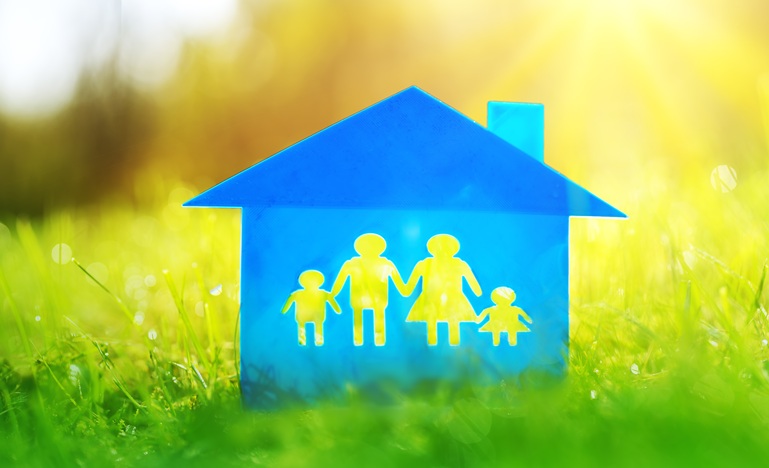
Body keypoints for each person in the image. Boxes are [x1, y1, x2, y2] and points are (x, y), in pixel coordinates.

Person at [404, 234, 482, 346]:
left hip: (442, 300)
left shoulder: (426, 264)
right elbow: (474, 285)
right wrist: (478, 292)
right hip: (441, 300)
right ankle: (446, 344)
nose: (443, 251)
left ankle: (440, 344)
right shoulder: (458, 264)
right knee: (449, 321)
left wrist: (406, 291)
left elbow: (410, 286)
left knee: (439, 321)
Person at [331, 233, 406, 346]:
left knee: (360, 319)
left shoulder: (351, 264)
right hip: (378, 299)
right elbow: (401, 286)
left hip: (360, 299)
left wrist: (331, 295)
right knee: (376, 318)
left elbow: (338, 284)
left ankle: (359, 340)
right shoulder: (386, 264)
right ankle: (377, 341)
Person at [282, 270, 341, 346]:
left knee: (306, 326)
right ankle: (314, 340)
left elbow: (289, 301)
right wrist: (337, 310)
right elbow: (332, 301)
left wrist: (284, 311)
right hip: (314, 315)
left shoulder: (298, 293)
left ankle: (305, 340)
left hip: (306, 315)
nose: (311, 283)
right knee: (314, 325)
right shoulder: (322, 293)